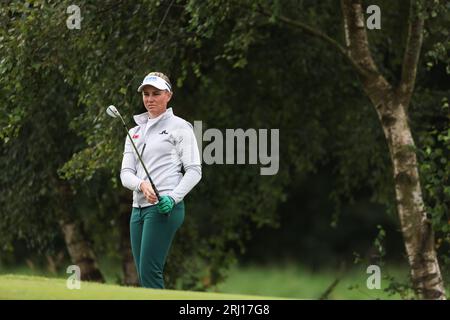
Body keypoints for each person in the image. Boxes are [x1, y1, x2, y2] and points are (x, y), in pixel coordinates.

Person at [120, 71, 201, 289]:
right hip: (138, 209)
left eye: (156, 93)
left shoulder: (180, 127)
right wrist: (141, 184)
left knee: (149, 272)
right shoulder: (134, 132)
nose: (150, 98)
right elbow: (125, 173)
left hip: (164, 207)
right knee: (143, 273)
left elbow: (194, 170)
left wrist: (173, 198)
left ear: (169, 95)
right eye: (146, 94)